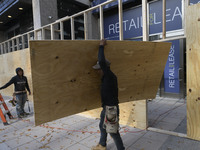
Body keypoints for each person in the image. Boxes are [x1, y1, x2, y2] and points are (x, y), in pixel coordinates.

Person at [92, 39, 125, 150]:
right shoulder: (107, 77)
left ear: (104, 68)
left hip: (111, 109)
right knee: (102, 126)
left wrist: (101, 46)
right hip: (106, 108)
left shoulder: (109, 75)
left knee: (113, 132)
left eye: (98, 69)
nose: (97, 72)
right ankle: (102, 145)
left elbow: (101, 60)